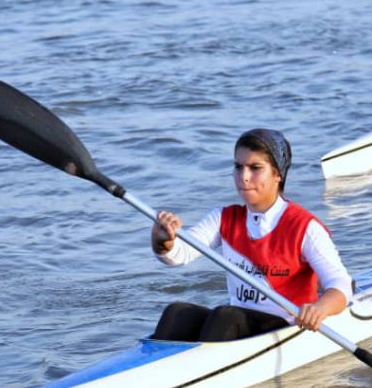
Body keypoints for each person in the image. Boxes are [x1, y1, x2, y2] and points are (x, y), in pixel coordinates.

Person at [150, 128, 352, 342]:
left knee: (225, 316)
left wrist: (319, 309)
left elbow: (341, 285)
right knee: (177, 313)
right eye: (238, 167)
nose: (244, 177)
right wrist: (164, 241)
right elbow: (180, 254)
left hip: (286, 327)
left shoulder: (305, 227)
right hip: (238, 324)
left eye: (255, 168)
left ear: (277, 174)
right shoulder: (224, 218)